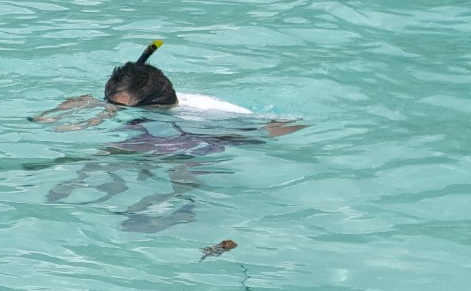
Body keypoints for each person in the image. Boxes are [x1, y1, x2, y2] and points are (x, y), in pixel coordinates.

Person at [25, 42, 305, 232]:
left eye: (117, 105)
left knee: (178, 162)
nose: (109, 107)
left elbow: (281, 125)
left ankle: (183, 210)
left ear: (154, 103)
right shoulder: (146, 103)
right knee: (108, 152)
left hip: (196, 137)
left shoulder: (211, 113)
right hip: (153, 128)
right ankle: (76, 185)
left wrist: (247, 135)